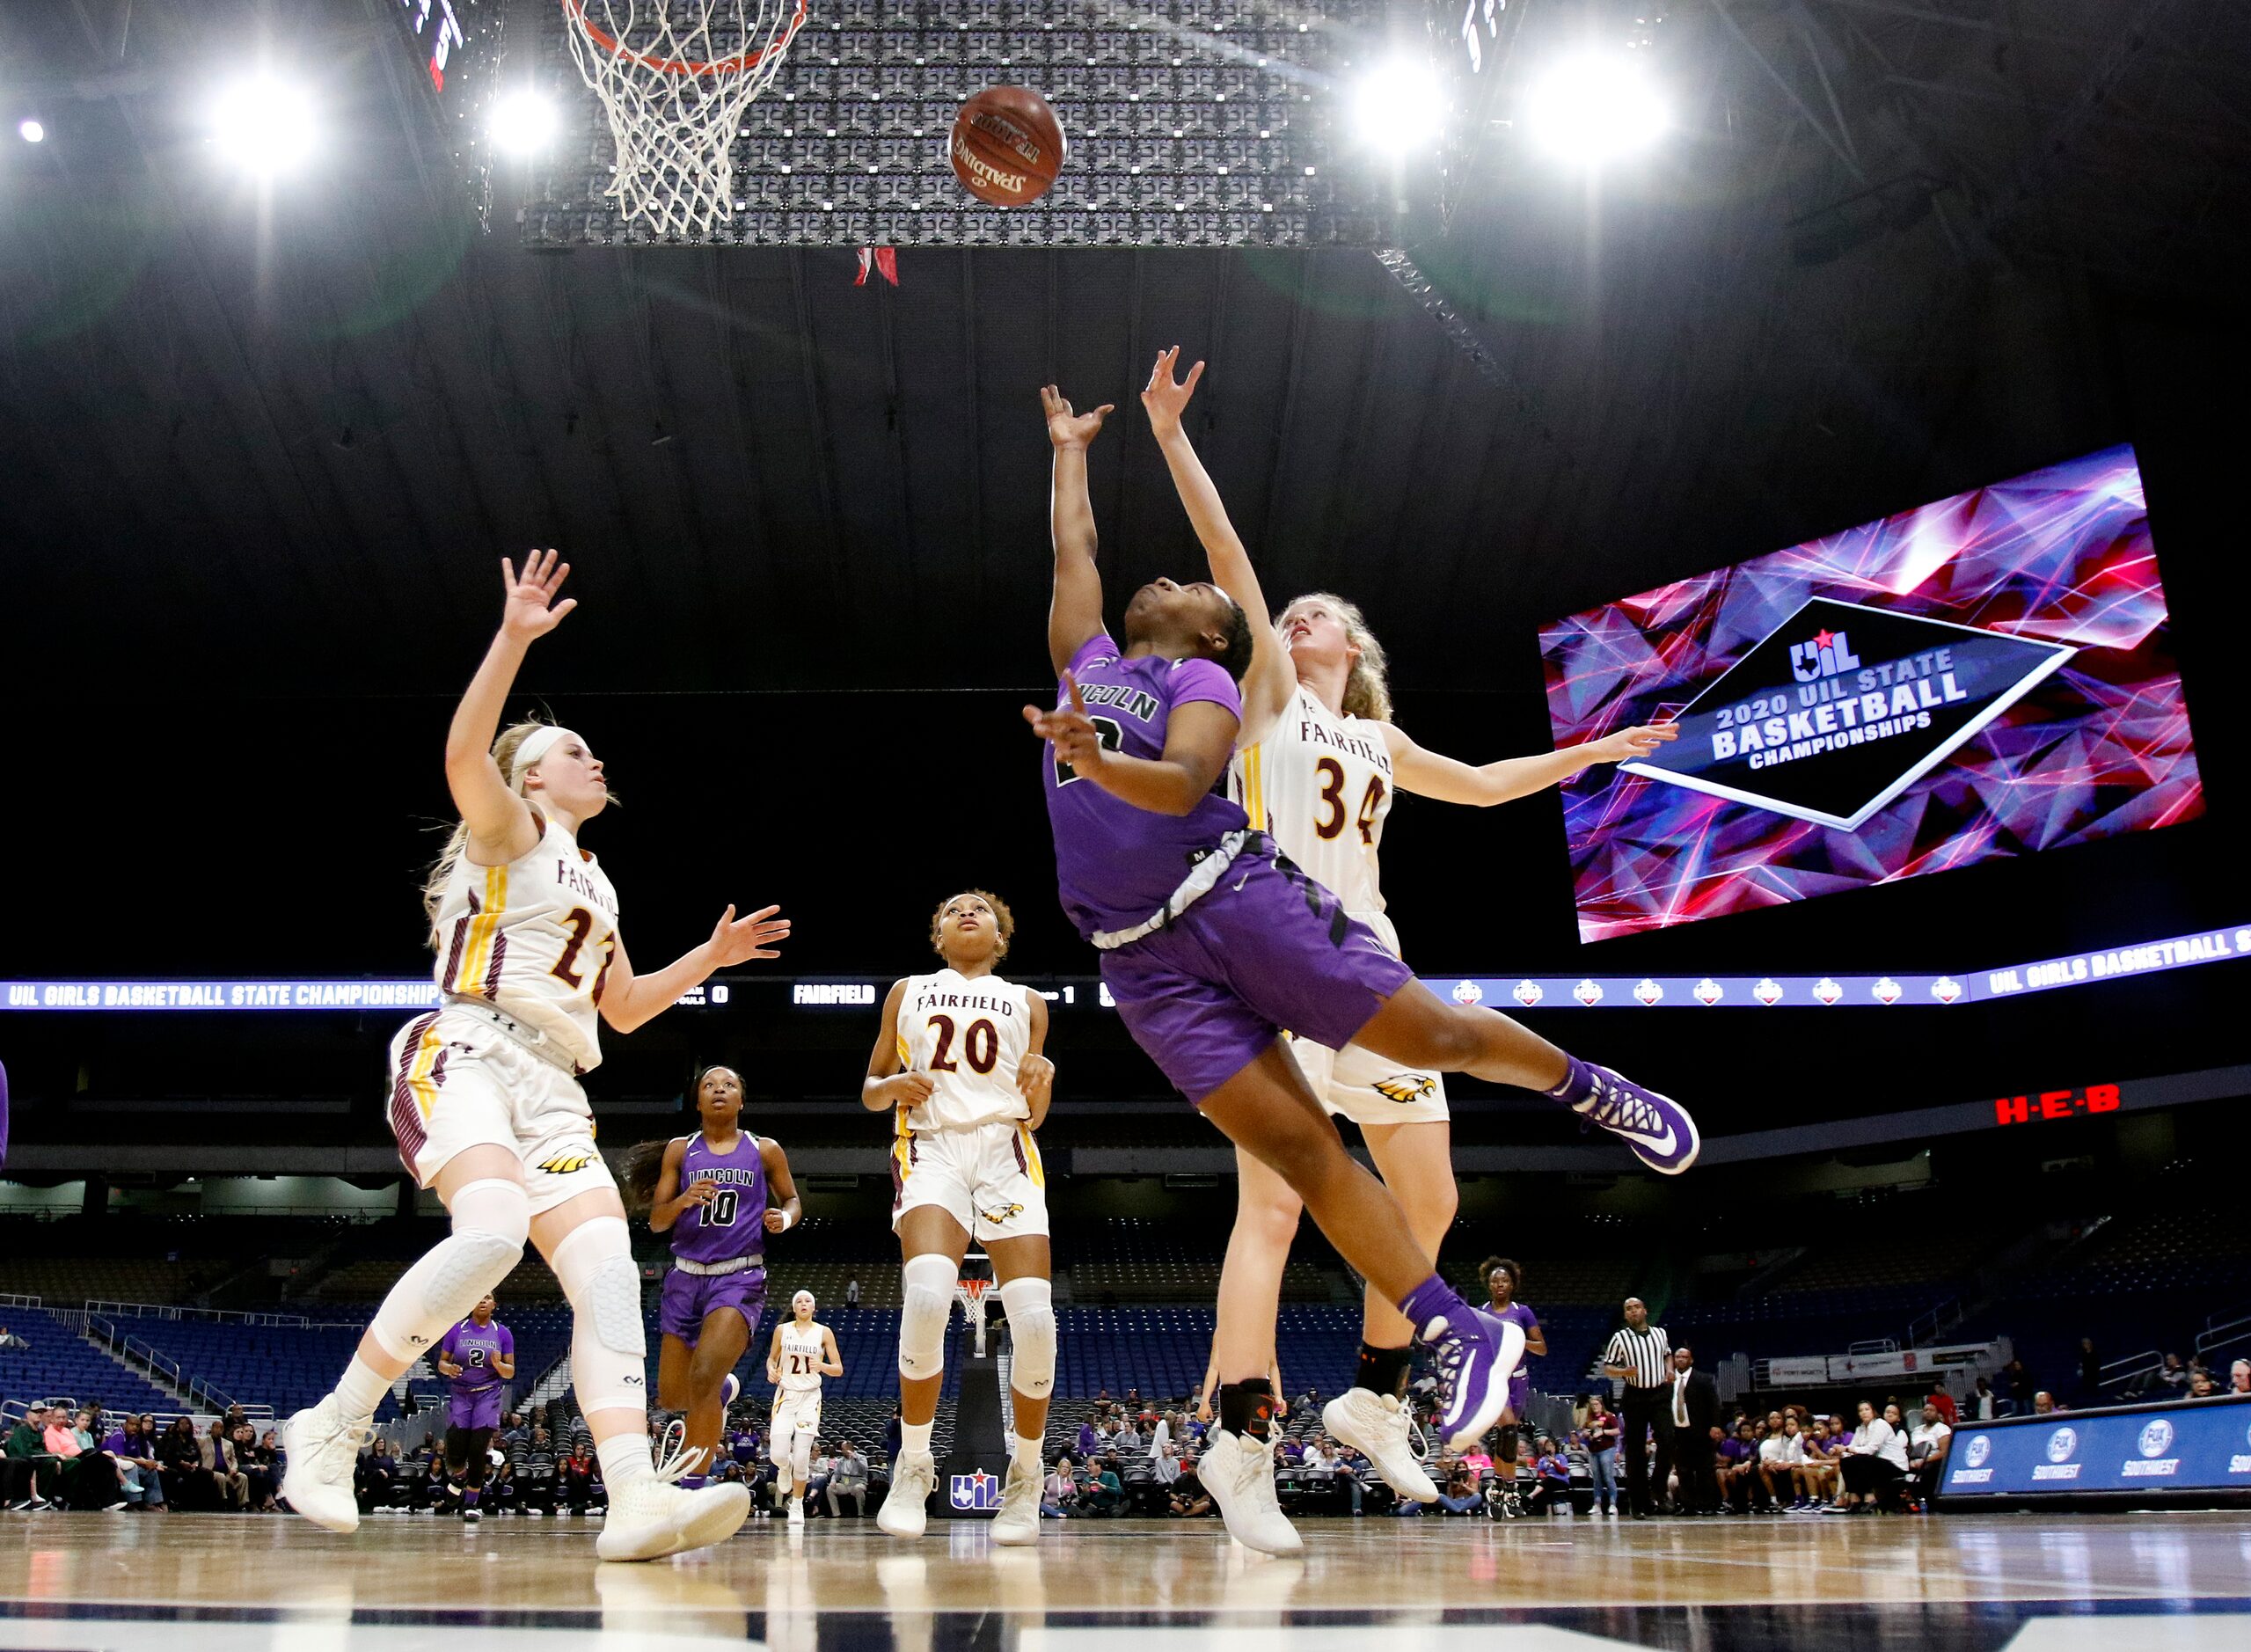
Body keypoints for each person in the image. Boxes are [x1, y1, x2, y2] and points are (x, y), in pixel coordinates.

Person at [1026, 363, 1684, 1553]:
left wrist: (1587, 756)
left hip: (1308, 935)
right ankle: (1241, 1438)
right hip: (1204, 953)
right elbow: (1142, 561)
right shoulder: (1211, 682)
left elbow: (1480, 784)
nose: (1294, 617)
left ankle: (1383, 1387)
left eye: (1312, 613)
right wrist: (1094, 449)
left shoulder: (1331, 719)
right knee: (1277, 1194)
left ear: (1346, 643)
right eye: (1286, 610)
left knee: (1423, 1190)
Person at [280, 552, 788, 1565]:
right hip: (466, 1048)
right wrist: (513, 636)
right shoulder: (510, 828)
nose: (595, 763)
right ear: (533, 777)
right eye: (576, 750)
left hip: (556, 1088)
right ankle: (332, 1425)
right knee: (494, 1234)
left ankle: (635, 1496)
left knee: (605, 1277)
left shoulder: (596, 884)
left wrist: (713, 956)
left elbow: (630, 1008)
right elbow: (464, 753)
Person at [864, 889, 1058, 1546]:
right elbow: (870, 1089)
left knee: (1034, 1317)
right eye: (950, 910)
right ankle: (914, 1464)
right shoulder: (908, 990)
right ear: (938, 935)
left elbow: (1035, 1112)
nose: (965, 913)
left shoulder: (1028, 1002)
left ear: (1000, 937)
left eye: (979, 909)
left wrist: (1044, 1077)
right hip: (931, 1147)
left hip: (1004, 1151)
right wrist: (890, 1087)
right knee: (924, 1297)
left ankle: (1025, 1478)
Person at [626, 1064, 802, 1487]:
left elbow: (793, 1199)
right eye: (709, 1085)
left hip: (738, 1277)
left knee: (702, 1379)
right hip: (685, 1278)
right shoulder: (679, 1151)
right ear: (698, 1099)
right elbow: (656, 1223)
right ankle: (723, 1391)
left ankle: (692, 1488)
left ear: (741, 1100)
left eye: (728, 1085)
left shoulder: (764, 1150)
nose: (719, 1090)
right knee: (672, 1397)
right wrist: (683, 1199)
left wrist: (786, 1217)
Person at [434, 1290, 515, 1523]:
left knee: (478, 1449)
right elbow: (442, 1362)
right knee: (456, 1452)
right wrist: (448, 1369)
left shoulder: (503, 1333)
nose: (482, 1300)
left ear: (494, 1305)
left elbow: (510, 1372)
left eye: (487, 1297)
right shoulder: (456, 1330)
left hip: (487, 1395)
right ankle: (460, 1476)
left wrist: (499, 1366)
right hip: (461, 1394)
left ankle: (471, 1503)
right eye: (478, 1296)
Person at [765, 1289, 842, 1526]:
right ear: (794, 1308)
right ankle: (783, 1468)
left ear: (814, 1307)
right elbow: (771, 1359)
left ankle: (796, 1505)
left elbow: (838, 1368)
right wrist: (771, 1370)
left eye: (808, 1300)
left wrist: (823, 1366)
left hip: (810, 1398)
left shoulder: (823, 1332)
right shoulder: (782, 1330)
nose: (803, 1303)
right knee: (778, 1454)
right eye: (799, 1300)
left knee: (801, 1457)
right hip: (786, 1395)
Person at [1480, 1259, 1546, 1496]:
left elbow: (1541, 1348)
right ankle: (1506, 1485)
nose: (1500, 1284)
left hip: (1519, 1379)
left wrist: (1518, 1339)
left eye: (1504, 1281)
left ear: (1512, 1285)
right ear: (1488, 1285)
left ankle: (1503, 1486)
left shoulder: (1522, 1312)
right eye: (1495, 1281)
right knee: (1507, 1428)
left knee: (1509, 1434)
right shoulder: (1482, 1313)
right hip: (1495, 1378)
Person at [1602, 1298, 1672, 1518]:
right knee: (1635, 1452)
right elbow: (1608, 1367)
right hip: (1635, 1395)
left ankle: (1659, 1489)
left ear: (1645, 1310)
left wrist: (1669, 1369)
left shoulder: (1660, 1333)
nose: (1633, 1312)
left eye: (1636, 1308)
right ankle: (1639, 1503)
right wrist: (1623, 1372)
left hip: (1659, 1393)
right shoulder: (1620, 1338)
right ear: (1625, 1315)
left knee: (1668, 1441)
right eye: (1628, 1309)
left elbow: (1667, 1354)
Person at [1661, 1346, 1719, 1516]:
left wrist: (1715, 1425)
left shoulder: (1703, 1379)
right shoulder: (1667, 1381)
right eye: (1677, 1357)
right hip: (1678, 1433)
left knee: (1704, 1470)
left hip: (1700, 1431)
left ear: (1691, 1360)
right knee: (1683, 1471)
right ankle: (1688, 1505)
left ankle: (1707, 1505)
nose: (1680, 1359)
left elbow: (1714, 1404)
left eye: (1684, 1357)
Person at [1827, 1400, 1908, 1513]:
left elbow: (1871, 1450)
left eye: (1867, 1409)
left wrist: (1845, 1449)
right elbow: (1852, 1447)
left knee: (1862, 1460)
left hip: (1895, 1465)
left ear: (1873, 1411)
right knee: (1846, 1461)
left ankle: (1868, 1498)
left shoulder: (1880, 1424)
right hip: (1878, 1463)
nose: (1864, 1412)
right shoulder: (1860, 1429)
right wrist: (1838, 1451)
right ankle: (1855, 1500)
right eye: (1861, 1410)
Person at [1583, 1394, 1621, 1516]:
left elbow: (1617, 1431)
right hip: (1594, 1449)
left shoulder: (1609, 1416)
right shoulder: (1589, 1419)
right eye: (1592, 1405)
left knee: (1608, 1476)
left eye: (1596, 1404)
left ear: (1601, 1405)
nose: (1594, 1407)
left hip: (1606, 1448)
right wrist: (1586, 1434)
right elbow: (1583, 1431)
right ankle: (1597, 1504)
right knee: (1597, 1478)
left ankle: (1612, 1504)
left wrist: (1603, 1432)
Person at [1907, 1403, 1952, 1501]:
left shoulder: (1942, 1429)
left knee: (1930, 1469)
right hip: (1915, 1460)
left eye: (1931, 1410)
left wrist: (1925, 1461)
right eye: (1926, 1410)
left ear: (1937, 1413)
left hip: (1933, 1461)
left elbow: (1944, 1452)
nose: (1928, 1412)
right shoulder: (1916, 1430)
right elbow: (1910, 1449)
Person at [1527, 1439, 1572, 1516]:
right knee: (1546, 1484)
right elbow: (1540, 1472)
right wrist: (1545, 1474)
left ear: (1555, 1447)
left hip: (1561, 1480)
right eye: (1547, 1446)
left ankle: (1532, 1495)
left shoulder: (1561, 1457)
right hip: (1548, 1481)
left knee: (1549, 1480)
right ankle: (1544, 1511)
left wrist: (1554, 1463)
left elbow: (1563, 1471)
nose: (1549, 1448)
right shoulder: (1543, 1460)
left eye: (1551, 1446)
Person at [827, 1441, 869, 1517]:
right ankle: (836, 1514)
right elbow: (836, 1473)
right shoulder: (840, 1461)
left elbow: (864, 1470)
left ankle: (861, 1514)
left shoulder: (861, 1458)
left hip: (858, 1483)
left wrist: (856, 1460)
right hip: (845, 1484)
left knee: (858, 1489)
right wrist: (833, 1480)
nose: (842, 1451)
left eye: (843, 1449)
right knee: (830, 1489)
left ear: (849, 1449)